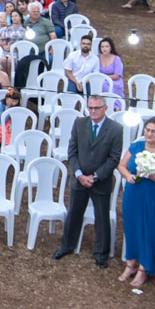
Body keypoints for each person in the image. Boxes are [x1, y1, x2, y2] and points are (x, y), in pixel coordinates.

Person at [53, 93, 123, 268]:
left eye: (96, 108)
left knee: (102, 217)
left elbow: (114, 158)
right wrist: (79, 174)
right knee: (74, 213)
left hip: (101, 181)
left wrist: (96, 176)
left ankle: (101, 253)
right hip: (80, 178)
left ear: (105, 108)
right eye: (90, 108)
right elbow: (72, 151)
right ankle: (67, 245)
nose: (92, 111)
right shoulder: (79, 123)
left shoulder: (116, 129)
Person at [119, 114, 155, 291]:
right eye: (147, 130)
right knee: (132, 227)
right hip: (134, 193)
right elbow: (121, 165)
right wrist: (128, 176)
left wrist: (151, 175)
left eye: (153, 131)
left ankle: (144, 268)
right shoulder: (136, 146)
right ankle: (130, 263)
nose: (149, 134)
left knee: (150, 230)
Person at [94, 36, 125, 104]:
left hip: (114, 81)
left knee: (113, 86)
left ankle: (116, 106)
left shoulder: (116, 59)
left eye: (107, 46)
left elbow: (117, 76)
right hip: (101, 80)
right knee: (102, 85)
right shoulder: (96, 58)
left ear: (111, 47)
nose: (104, 49)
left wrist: (104, 77)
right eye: (102, 47)